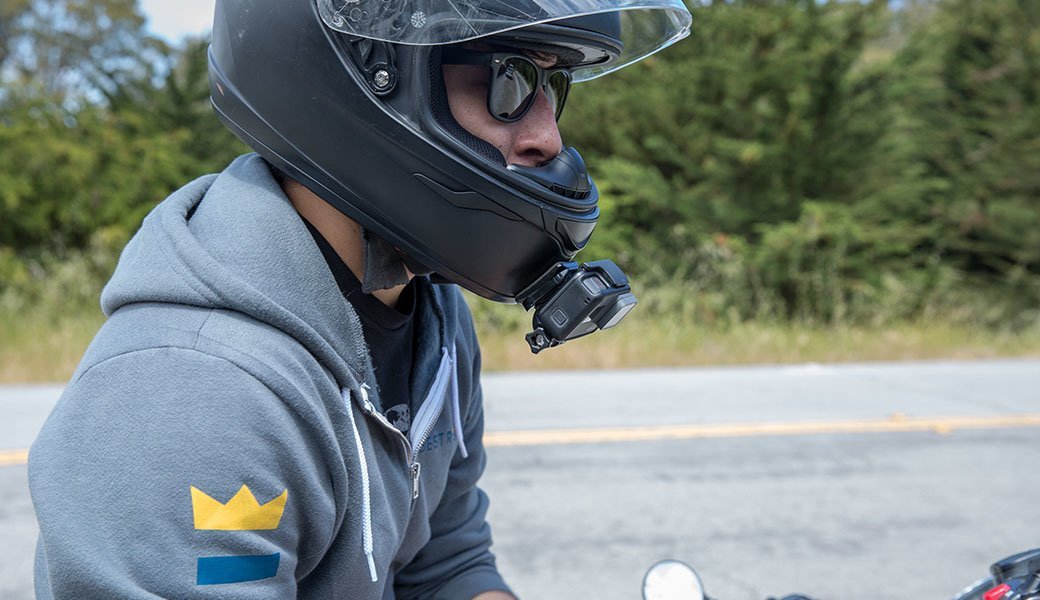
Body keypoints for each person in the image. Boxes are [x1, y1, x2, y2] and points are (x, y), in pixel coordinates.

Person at [28, 0, 691, 598]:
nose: (548, 136)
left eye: (554, 87)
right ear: (365, 78)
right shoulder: (193, 394)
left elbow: (443, 567)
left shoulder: (433, 315)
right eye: (508, 81)